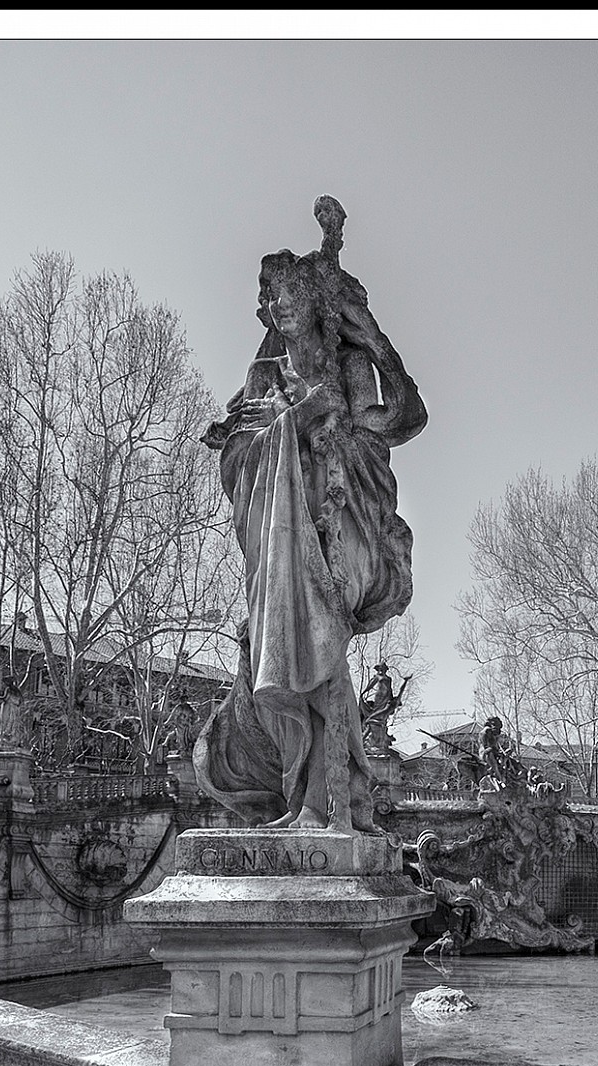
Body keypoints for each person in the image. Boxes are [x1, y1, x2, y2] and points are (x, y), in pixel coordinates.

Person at [191, 197, 425, 832]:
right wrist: (275, 427)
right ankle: (318, 800)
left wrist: (338, 397)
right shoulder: (264, 372)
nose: (281, 306)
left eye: (291, 293)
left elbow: (400, 418)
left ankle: (326, 801)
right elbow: (240, 444)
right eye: (273, 298)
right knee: (293, 651)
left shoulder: (348, 363)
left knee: (320, 646)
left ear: (312, 300)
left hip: (337, 519)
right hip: (280, 534)